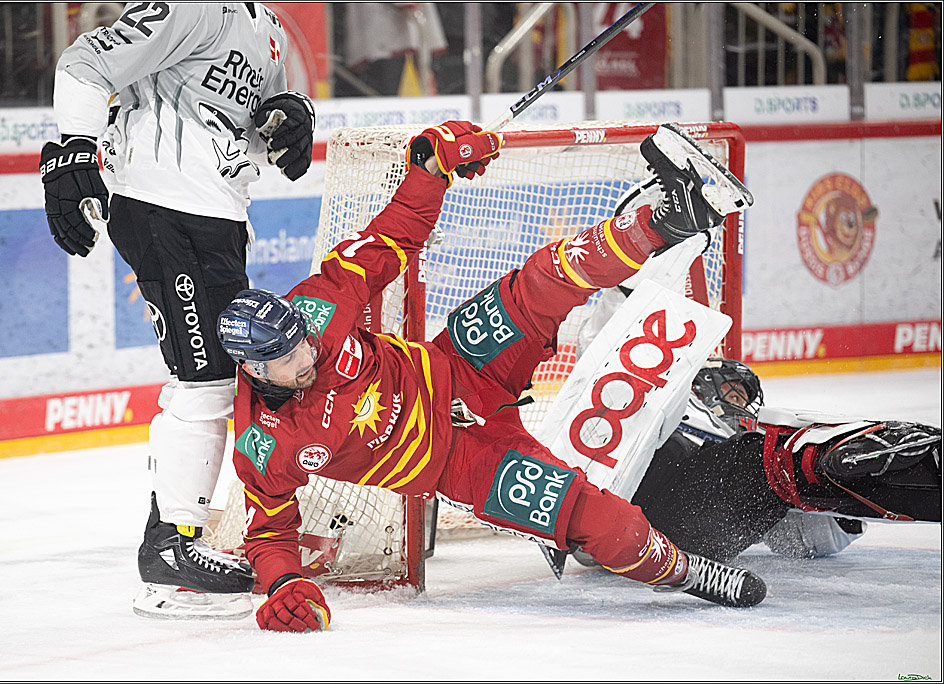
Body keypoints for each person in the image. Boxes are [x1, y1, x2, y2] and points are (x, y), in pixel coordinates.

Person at [216, 119, 767, 634]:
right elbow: (269, 530)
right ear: (255, 369)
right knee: (599, 525)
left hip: (458, 363)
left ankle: (670, 218)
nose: (307, 353)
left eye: (303, 339)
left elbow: (393, 237)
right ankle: (688, 572)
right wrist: (284, 584)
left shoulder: (318, 306)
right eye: (289, 358)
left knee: (544, 278)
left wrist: (430, 167)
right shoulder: (263, 445)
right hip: (462, 460)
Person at [38, 3, 316, 619]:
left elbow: (251, 131)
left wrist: (285, 123)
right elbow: (84, 63)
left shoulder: (266, 27)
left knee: (218, 378)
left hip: (219, 213)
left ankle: (173, 540)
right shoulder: (192, 6)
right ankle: (169, 553)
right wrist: (75, 150)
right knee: (205, 378)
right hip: (161, 205)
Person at [571, 357, 941, 567]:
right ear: (698, 391)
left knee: (785, 475)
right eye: (731, 392)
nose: (741, 405)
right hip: (633, 529)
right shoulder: (662, 423)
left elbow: (800, 542)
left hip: (671, 541)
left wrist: (841, 516)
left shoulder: (730, 451)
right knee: (774, 461)